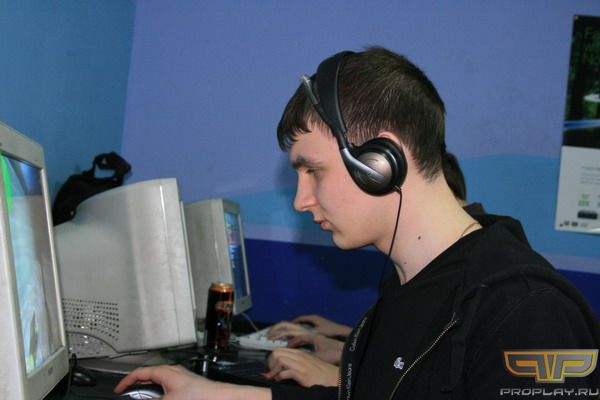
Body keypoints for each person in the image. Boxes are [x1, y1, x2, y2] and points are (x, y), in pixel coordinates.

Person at [115, 47, 600, 399]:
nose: (301, 200)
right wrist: (212, 394)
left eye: (312, 170)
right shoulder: (411, 284)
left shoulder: (527, 312)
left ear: (382, 161)